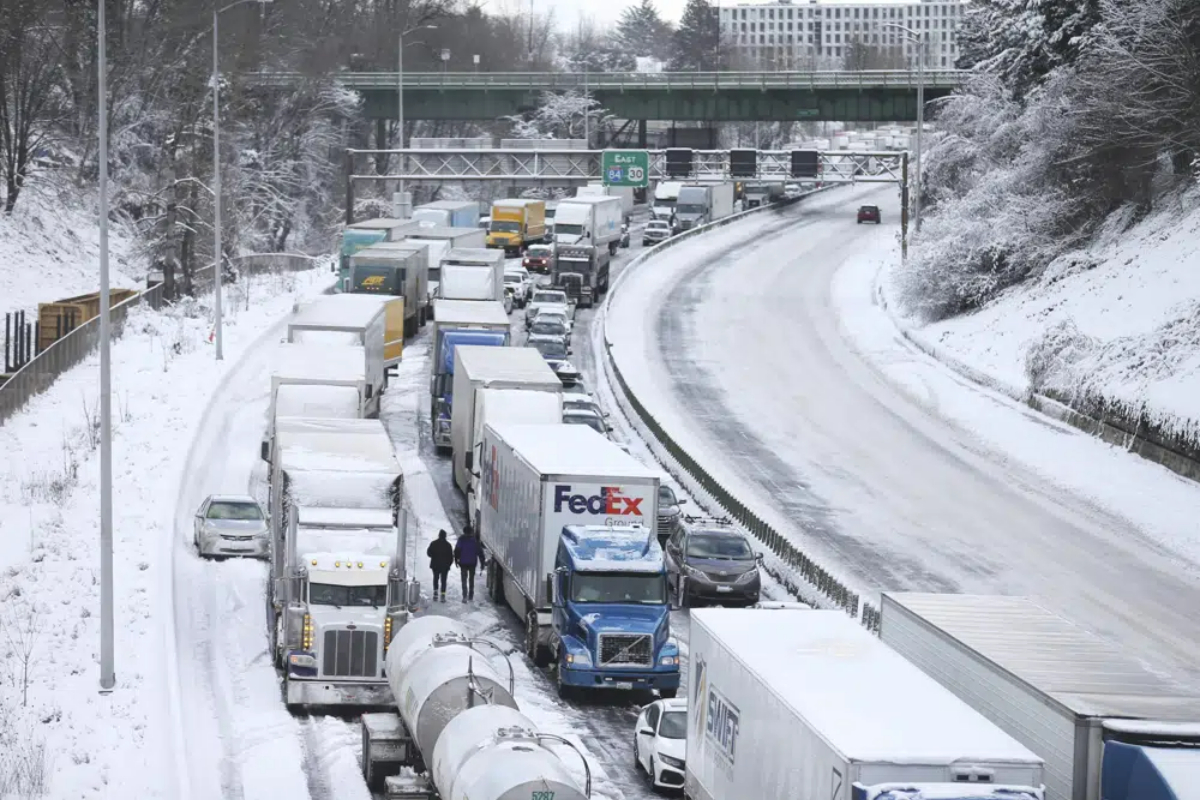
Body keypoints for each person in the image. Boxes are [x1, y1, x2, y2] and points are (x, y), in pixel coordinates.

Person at [427, 530, 454, 601]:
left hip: (435, 565)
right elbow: (451, 557)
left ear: (439, 535)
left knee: (435, 578)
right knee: (444, 580)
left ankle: (435, 592)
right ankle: (443, 594)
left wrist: (434, 555)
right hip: (445, 566)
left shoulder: (433, 543)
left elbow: (429, 553)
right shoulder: (448, 545)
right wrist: (449, 564)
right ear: (445, 536)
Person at [454, 525, 480, 601]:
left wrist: (456, 560)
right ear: (471, 532)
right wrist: (482, 561)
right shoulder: (474, 540)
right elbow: (479, 551)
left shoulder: (461, 539)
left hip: (463, 563)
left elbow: (457, 550)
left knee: (464, 580)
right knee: (471, 580)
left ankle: (464, 596)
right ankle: (471, 596)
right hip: (472, 563)